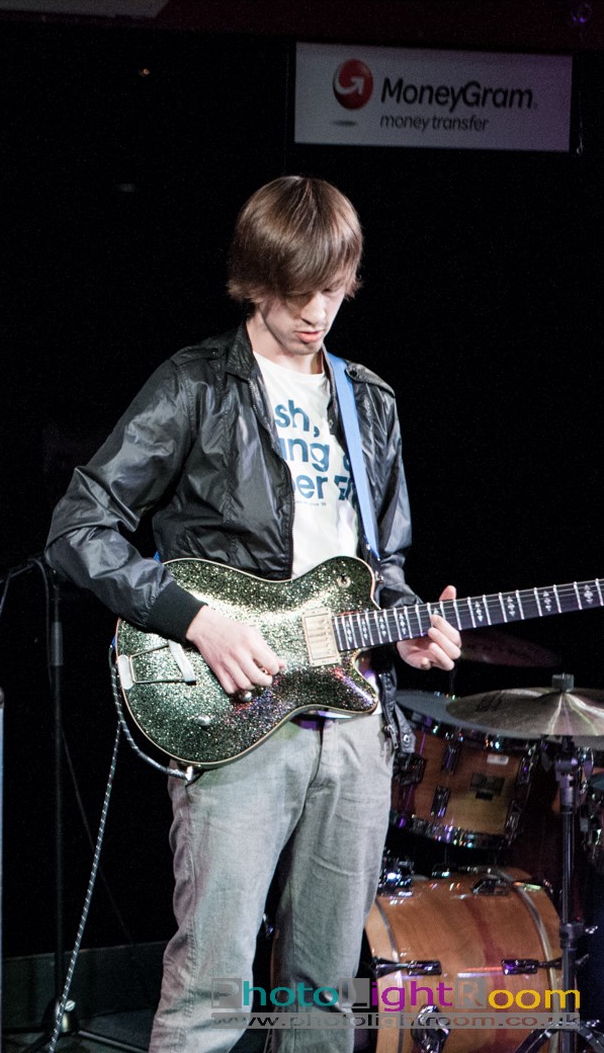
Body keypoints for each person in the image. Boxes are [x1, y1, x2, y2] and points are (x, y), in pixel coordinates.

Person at [45, 176, 462, 1051]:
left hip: (351, 723)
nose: (316, 312)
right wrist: (195, 618)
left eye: (332, 290)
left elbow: (380, 566)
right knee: (211, 991)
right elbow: (79, 530)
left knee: (321, 995)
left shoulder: (369, 401)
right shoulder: (196, 385)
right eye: (297, 290)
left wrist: (409, 622)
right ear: (255, 280)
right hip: (234, 714)